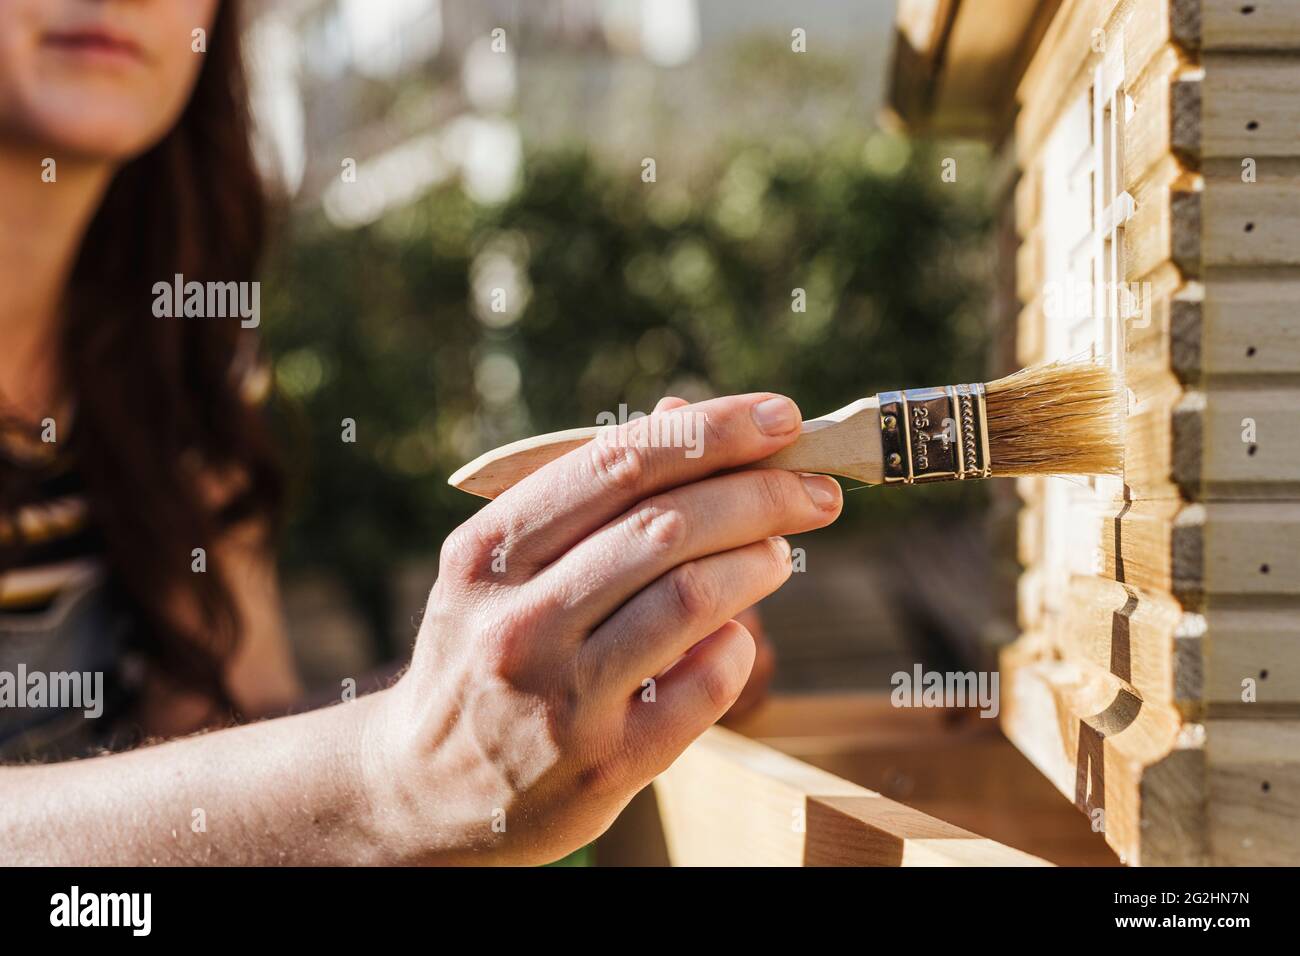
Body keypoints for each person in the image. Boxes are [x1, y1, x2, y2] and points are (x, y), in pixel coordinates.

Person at [0, 0, 843, 865]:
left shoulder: (185, 360)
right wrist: (391, 780)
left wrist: (561, 668)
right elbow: (351, 780)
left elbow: (223, 735)